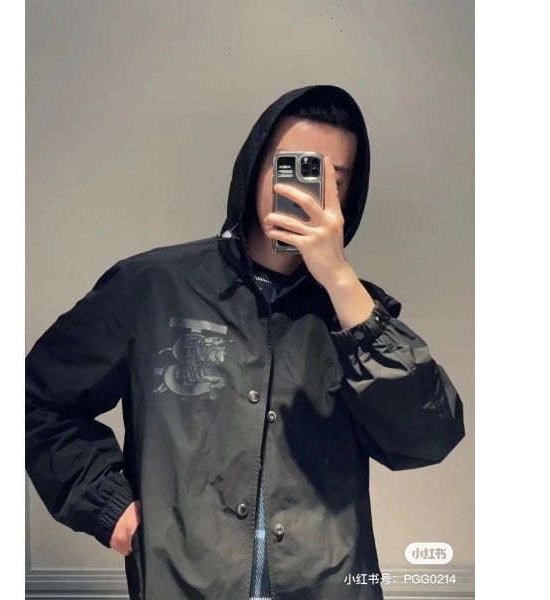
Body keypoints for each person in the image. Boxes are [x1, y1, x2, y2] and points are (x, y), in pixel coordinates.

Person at [25, 84, 465, 600]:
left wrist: (341, 280)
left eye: (331, 182)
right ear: (255, 169)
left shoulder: (355, 315)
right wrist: (105, 501)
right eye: (291, 169)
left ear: (348, 196)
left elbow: (428, 436)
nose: (305, 194)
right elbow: (37, 397)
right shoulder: (153, 289)